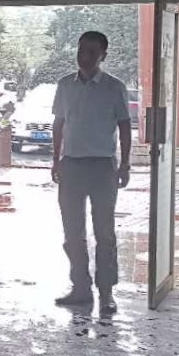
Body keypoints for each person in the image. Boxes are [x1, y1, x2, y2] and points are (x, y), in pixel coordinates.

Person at [51, 31, 132, 316]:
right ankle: (80, 287)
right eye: (81, 51)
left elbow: (124, 126)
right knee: (72, 232)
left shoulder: (114, 87)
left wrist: (125, 164)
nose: (84, 57)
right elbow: (59, 124)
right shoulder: (65, 85)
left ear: (103, 56)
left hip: (102, 167)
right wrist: (55, 160)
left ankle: (106, 292)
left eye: (92, 52)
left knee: (104, 233)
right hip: (71, 166)